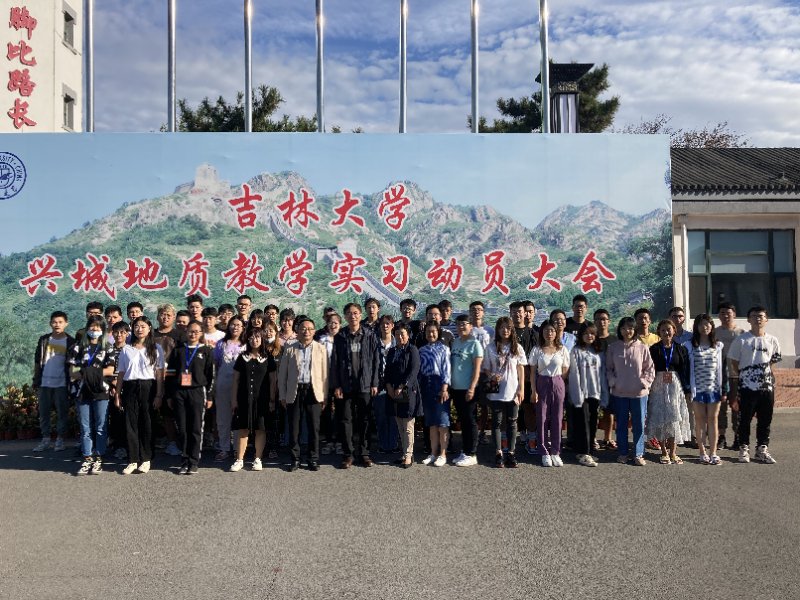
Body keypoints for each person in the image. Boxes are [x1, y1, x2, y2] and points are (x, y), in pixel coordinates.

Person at [728, 305, 781, 464]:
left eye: (761, 316)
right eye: (754, 316)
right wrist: (745, 376)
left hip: (766, 387)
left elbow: (773, 362)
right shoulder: (742, 340)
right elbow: (734, 362)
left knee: (765, 419)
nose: (758, 319)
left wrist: (767, 378)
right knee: (745, 419)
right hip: (747, 387)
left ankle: (762, 449)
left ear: (766, 319)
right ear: (748, 320)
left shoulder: (772, 340)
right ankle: (744, 448)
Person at [330, 303, 380, 468]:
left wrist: (374, 383)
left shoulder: (369, 335)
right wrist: (336, 385)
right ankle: (348, 454)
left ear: (360, 315)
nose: (353, 316)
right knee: (346, 420)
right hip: (346, 386)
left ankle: (364, 453)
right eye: (349, 313)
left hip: (365, 384)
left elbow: (376, 361)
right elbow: (334, 363)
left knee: (364, 420)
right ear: (345, 316)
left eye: (356, 313)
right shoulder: (340, 336)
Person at [114, 316, 165, 475]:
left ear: (149, 328)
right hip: (130, 387)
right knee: (131, 423)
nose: (139, 329)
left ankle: (146, 458)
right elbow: (121, 373)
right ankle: (132, 460)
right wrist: (117, 394)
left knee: (147, 423)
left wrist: (159, 394)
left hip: (148, 387)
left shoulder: (156, 348)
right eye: (136, 326)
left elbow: (159, 373)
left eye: (143, 326)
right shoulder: (126, 349)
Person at [278, 317, 329, 471]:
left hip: (314, 391)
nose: (307, 331)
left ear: (314, 331)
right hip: (295, 391)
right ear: (298, 331)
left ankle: (313, 459)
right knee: (294, 428)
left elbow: (325, 374)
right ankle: (295, 459)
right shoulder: (290, 348)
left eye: (310, 329)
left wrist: (325, 396)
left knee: (314, 428)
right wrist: (282, 395)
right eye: (303, 328)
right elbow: (282, 374)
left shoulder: (320, 348)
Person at [68, 315, 116, 475]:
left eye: (98, 327)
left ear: (103, 329)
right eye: (92, 326)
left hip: (101, 391)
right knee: (85, 427)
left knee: (101, 426)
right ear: (87, 327)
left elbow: (110, 370)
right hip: (82, 391)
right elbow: (72, 372)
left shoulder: (108, 347)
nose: (95, 330)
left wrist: (86, 372)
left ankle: (99, 457)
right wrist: (94, 373)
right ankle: (87, 457)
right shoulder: (77, 347)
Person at [167, 320, 215, 474]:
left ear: (201, 333)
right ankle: (184, 459)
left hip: (197, 391)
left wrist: (209, 396)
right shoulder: (178, 350)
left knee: (195, 427)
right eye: (190, 331)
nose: (193, 334)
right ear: (186, 332)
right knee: (182, 428)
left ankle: (193, 461)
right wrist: (170, 395)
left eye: (196, 331)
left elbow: (211, 375)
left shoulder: (206, 351)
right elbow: (170, 374)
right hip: (179, 392)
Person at [606, 316, 655, 466]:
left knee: (639, 425)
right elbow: (608, 369)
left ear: (635, 330)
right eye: (624, 328)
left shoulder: (642, 347)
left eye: (630, 328)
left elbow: (649, 369)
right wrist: (613, 382)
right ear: (619, 330)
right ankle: (623, 453)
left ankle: (638, 453)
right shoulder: (613, 348)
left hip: (639, 394)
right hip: (619, 393)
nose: (627, 331)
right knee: (621, 424)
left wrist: (644, 383)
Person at [229, 328, 276, 472]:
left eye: (257, 337)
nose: (254, 340)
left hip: (262, 399)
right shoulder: (242, 357)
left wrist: (272, 399)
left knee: (260, 429)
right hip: (244, 399)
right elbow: (235, 380)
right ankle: (239, 459)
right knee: (243, 429)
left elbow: (273, 380)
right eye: (251, 337)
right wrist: (234, 399)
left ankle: (258, 458)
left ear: (262, 339)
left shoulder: (268, 358)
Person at [483, 317, 526, 468]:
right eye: (502, 327)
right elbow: (486, 367)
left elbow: (521, 368)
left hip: (512, 390)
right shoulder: (490, 347)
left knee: (512, 422)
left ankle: (511, 453)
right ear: (498, 329)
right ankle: (498, 452)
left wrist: (521, 388)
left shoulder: (517, 347)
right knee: (496, 422)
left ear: (512, 330)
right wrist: (491, 375)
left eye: (508, 328)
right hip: (496, 391)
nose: (505, 330)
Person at [646, 320, 691, 465]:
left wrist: (687, 389)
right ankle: (664, 452)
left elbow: (685, 370)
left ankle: (673, 452)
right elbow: (649, 368)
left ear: (674, 331)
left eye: (669, 329)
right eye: (663, 330)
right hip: (658, 385)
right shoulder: (654, 349)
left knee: (674, 418)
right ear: (659, 332)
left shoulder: (680, 349)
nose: (666, 332)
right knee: (660, 418)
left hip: (675, 386)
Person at [683, 314, 725, 465]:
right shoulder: (689, 345)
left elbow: (722, 369)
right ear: (696, 327)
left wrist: (724, 389)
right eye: (701, 324)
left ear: (712, 326)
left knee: (713, 420)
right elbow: (686, 369)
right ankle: (702, 452)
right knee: (700, 420)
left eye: (707, 324)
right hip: (697, 390)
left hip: (714, 389)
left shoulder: (718, 346)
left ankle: (713, 453)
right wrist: (688, 389)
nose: (704, 327)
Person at [32, 311, 74, 453]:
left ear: (66, 324)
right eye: (54, 322)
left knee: (62, 413)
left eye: (60, 322)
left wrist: (73, 381)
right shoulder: (44, 340)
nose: (57, 325)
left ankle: (60, 440)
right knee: (44, 413)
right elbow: (37, 361)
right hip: (44, 383)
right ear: (50, 323)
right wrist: (36, 379)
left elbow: (74, 364)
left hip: (62, 383)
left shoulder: (71, 341)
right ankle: (45, 440)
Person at [529, 321, 570, 467]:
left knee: (557, 418)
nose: (549, 333)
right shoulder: (537, 349)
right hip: (542, 382)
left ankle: (555, 452)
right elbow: (532, 372)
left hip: (558, 382)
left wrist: (558, 381)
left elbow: (565, 369)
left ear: (556, 332)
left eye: (552, 330)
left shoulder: (562, 349)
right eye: (546, 330)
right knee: (542, 418)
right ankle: (544, 451)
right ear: (542, 332)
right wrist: (533, 390)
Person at [384, 323, 423, 468]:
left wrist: (402, 386)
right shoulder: (392, 351)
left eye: (402, 334)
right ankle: (404, 453)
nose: (400, 337)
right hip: (393, 391)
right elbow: (387, 371)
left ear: (408, 335)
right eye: (397, 334)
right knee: (399, 424)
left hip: (408, 392)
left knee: (407, 425)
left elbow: (414, 370)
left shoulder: (412, 349)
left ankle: (408, 455)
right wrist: (388, 385)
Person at [568, 323, 604, 467]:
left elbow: (602, 373)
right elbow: (574, 374)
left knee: (593, 422)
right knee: (582, 423)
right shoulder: (575, 351)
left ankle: (587, 451)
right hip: (581, 393)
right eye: (586, 333)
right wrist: (578, 395)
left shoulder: (597, 351)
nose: (589, 336)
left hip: (595, 392)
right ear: (581, 335)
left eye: (592, 333)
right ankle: (584, 453)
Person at [450, 315, 483, 466]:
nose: (461, 327)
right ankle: (465, 450)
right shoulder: (456, 342)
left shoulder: (475, 344)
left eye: (464, 324)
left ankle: (472, 453)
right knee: (463, 421)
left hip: (469, 389)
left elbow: (477, 369)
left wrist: (472, 387)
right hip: (456, 388)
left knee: (470, 421)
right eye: (458, 324)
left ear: (471, 326)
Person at [212, 316, 246, 462]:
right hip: (223, 385)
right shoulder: (221, 344)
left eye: (238, 325)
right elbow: (215, 365)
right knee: (223, 418)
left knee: (239, 418)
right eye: (232, 324)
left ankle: (238, 448)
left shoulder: (247, 344)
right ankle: (224, 448)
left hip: (241, 386)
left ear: (243, 328)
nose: (235, 327)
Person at [418, 321, 452, 467]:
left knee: (442, 423)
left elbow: (447, 369)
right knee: (431, 423)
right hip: (426, 385)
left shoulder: (444, 349)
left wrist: (444, 388)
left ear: (438, 333)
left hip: (440, 384)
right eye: (428, 332)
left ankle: (443, 454)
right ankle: (433, 453)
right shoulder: (421, 350)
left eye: (433, 331)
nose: (430, 334)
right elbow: (419, 371)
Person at [715, 301, 744, 450]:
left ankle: (738, 437)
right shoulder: (715, 332)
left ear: (734, 314)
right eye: (722, 313)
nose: (725, 316)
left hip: (736, 375)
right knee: (720, 407)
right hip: (719, 375)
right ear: (719, 316)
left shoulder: (742, 333)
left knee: (736, 406)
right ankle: (721, 437)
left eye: (728, 313)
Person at [317, 312, 341, 456]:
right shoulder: (322, 340)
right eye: (330, 323)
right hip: (325, 380)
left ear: (340, 325)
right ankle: (329, 441)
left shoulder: (344, 339)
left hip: (340, 382)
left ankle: (339, 441)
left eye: (336, 323)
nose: (333, 325)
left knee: (340, 412)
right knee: (326, 412)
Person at [374, 314, 399, 454]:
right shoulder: (375, 343)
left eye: (388, 323)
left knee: (394, 416)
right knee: (381, 415)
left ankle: (393, 444)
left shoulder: (398, 342)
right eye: (383, 323)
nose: (385, 326)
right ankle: (383, 444)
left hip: (395, 385)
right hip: (379, 384)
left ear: (392, 325)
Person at [593, 308, 616, 451]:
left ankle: (608, 438)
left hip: (610, 381)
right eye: (598, 319)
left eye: (604, 319)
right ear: (594, 322)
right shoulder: (591, 339)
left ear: (609, 321)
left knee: (609, 411)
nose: (601, 322)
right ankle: (592, 438)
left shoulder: (615, 340)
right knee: (593, 411)